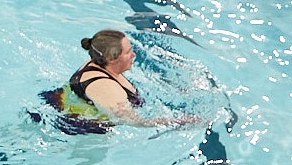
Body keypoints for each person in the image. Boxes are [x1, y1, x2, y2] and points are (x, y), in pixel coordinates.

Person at [41, 30, 199, 133]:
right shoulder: (108, 89)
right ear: (111, 59)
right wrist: (179, 122)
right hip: (74, 130)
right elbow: (136, 123)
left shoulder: (98, 64)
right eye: (128, 52)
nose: (134, 55)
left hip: (60, 103)